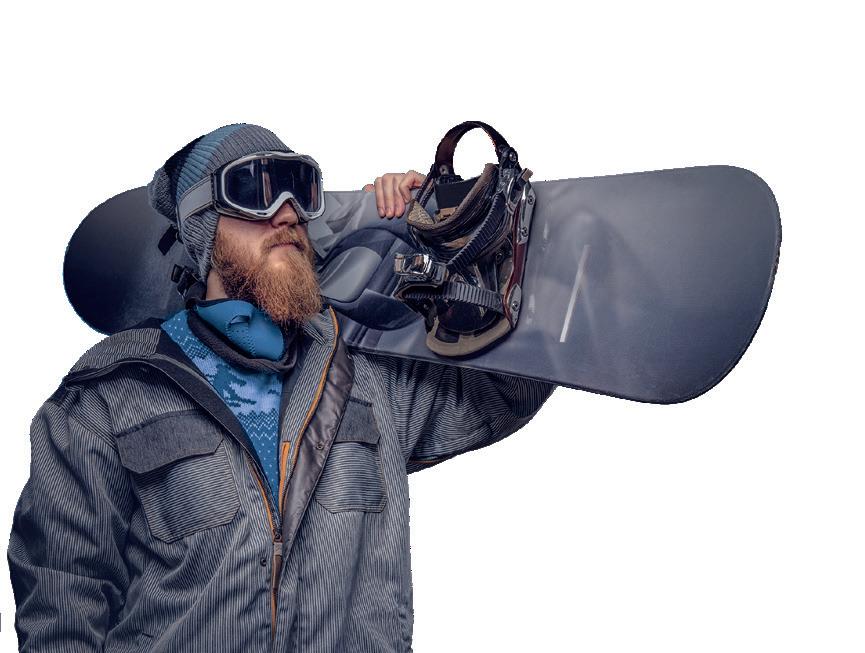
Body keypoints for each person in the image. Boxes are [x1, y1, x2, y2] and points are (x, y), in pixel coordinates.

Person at [7, 123, 555, 651]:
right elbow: (62, 597)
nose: (287, 212)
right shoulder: (112, 394)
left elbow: (506, 391)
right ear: (202, 225)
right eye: (255, 191)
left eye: (300, 191)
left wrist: (441, 241)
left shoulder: (366, 378)